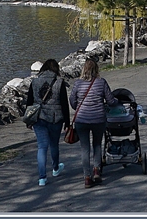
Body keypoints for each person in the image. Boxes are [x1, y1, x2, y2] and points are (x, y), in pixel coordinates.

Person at [68, 57, 115, 187]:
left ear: (84, 69)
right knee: (97, 145)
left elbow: (72, 101)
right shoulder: (101, 82)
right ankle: (96, 171)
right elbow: (110, 101)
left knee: (85, 148)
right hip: (98, 118)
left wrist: (78, 107)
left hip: (82, 119)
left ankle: (87, 177)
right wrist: (115, 103)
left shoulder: (78, 84)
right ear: (96, 69)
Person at [25, 59, 70, 187]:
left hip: (39, 118)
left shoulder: (34, 82)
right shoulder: (59, 82)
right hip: (56, 118)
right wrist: (67, 122)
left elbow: (29, 102)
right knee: (54, 144)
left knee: (42, 147)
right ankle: (55, 169)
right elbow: (64, 104)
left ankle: (42, 178)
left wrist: (28, 120)